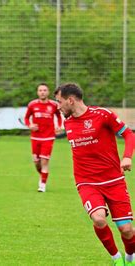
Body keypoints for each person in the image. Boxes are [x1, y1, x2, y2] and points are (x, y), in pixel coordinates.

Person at [54, 83, 134, 266]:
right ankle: (117, 260)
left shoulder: (102, 115)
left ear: (71, 100)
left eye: (59, 102)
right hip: (86, 182)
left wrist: (127, 157)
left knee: (127, 229)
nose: (58, 107)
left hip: (114, 181)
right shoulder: (68, 122)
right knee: (98, 218)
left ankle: (130, 258)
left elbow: (129, 134)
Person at [23, 83, 62, 192]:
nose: (42, 92)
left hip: (48, 137)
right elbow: (26, 118)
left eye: (44, 90)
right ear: (37, 92)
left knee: (44, 161)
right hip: (35, 138)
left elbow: (59, 117)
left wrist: (59, 125)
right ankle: (43, 176)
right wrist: (30, 125)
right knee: (36, 163)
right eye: (40, 90)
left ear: (48, 92)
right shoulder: (32, 105)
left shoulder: (54, 105)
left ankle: (42, 185)